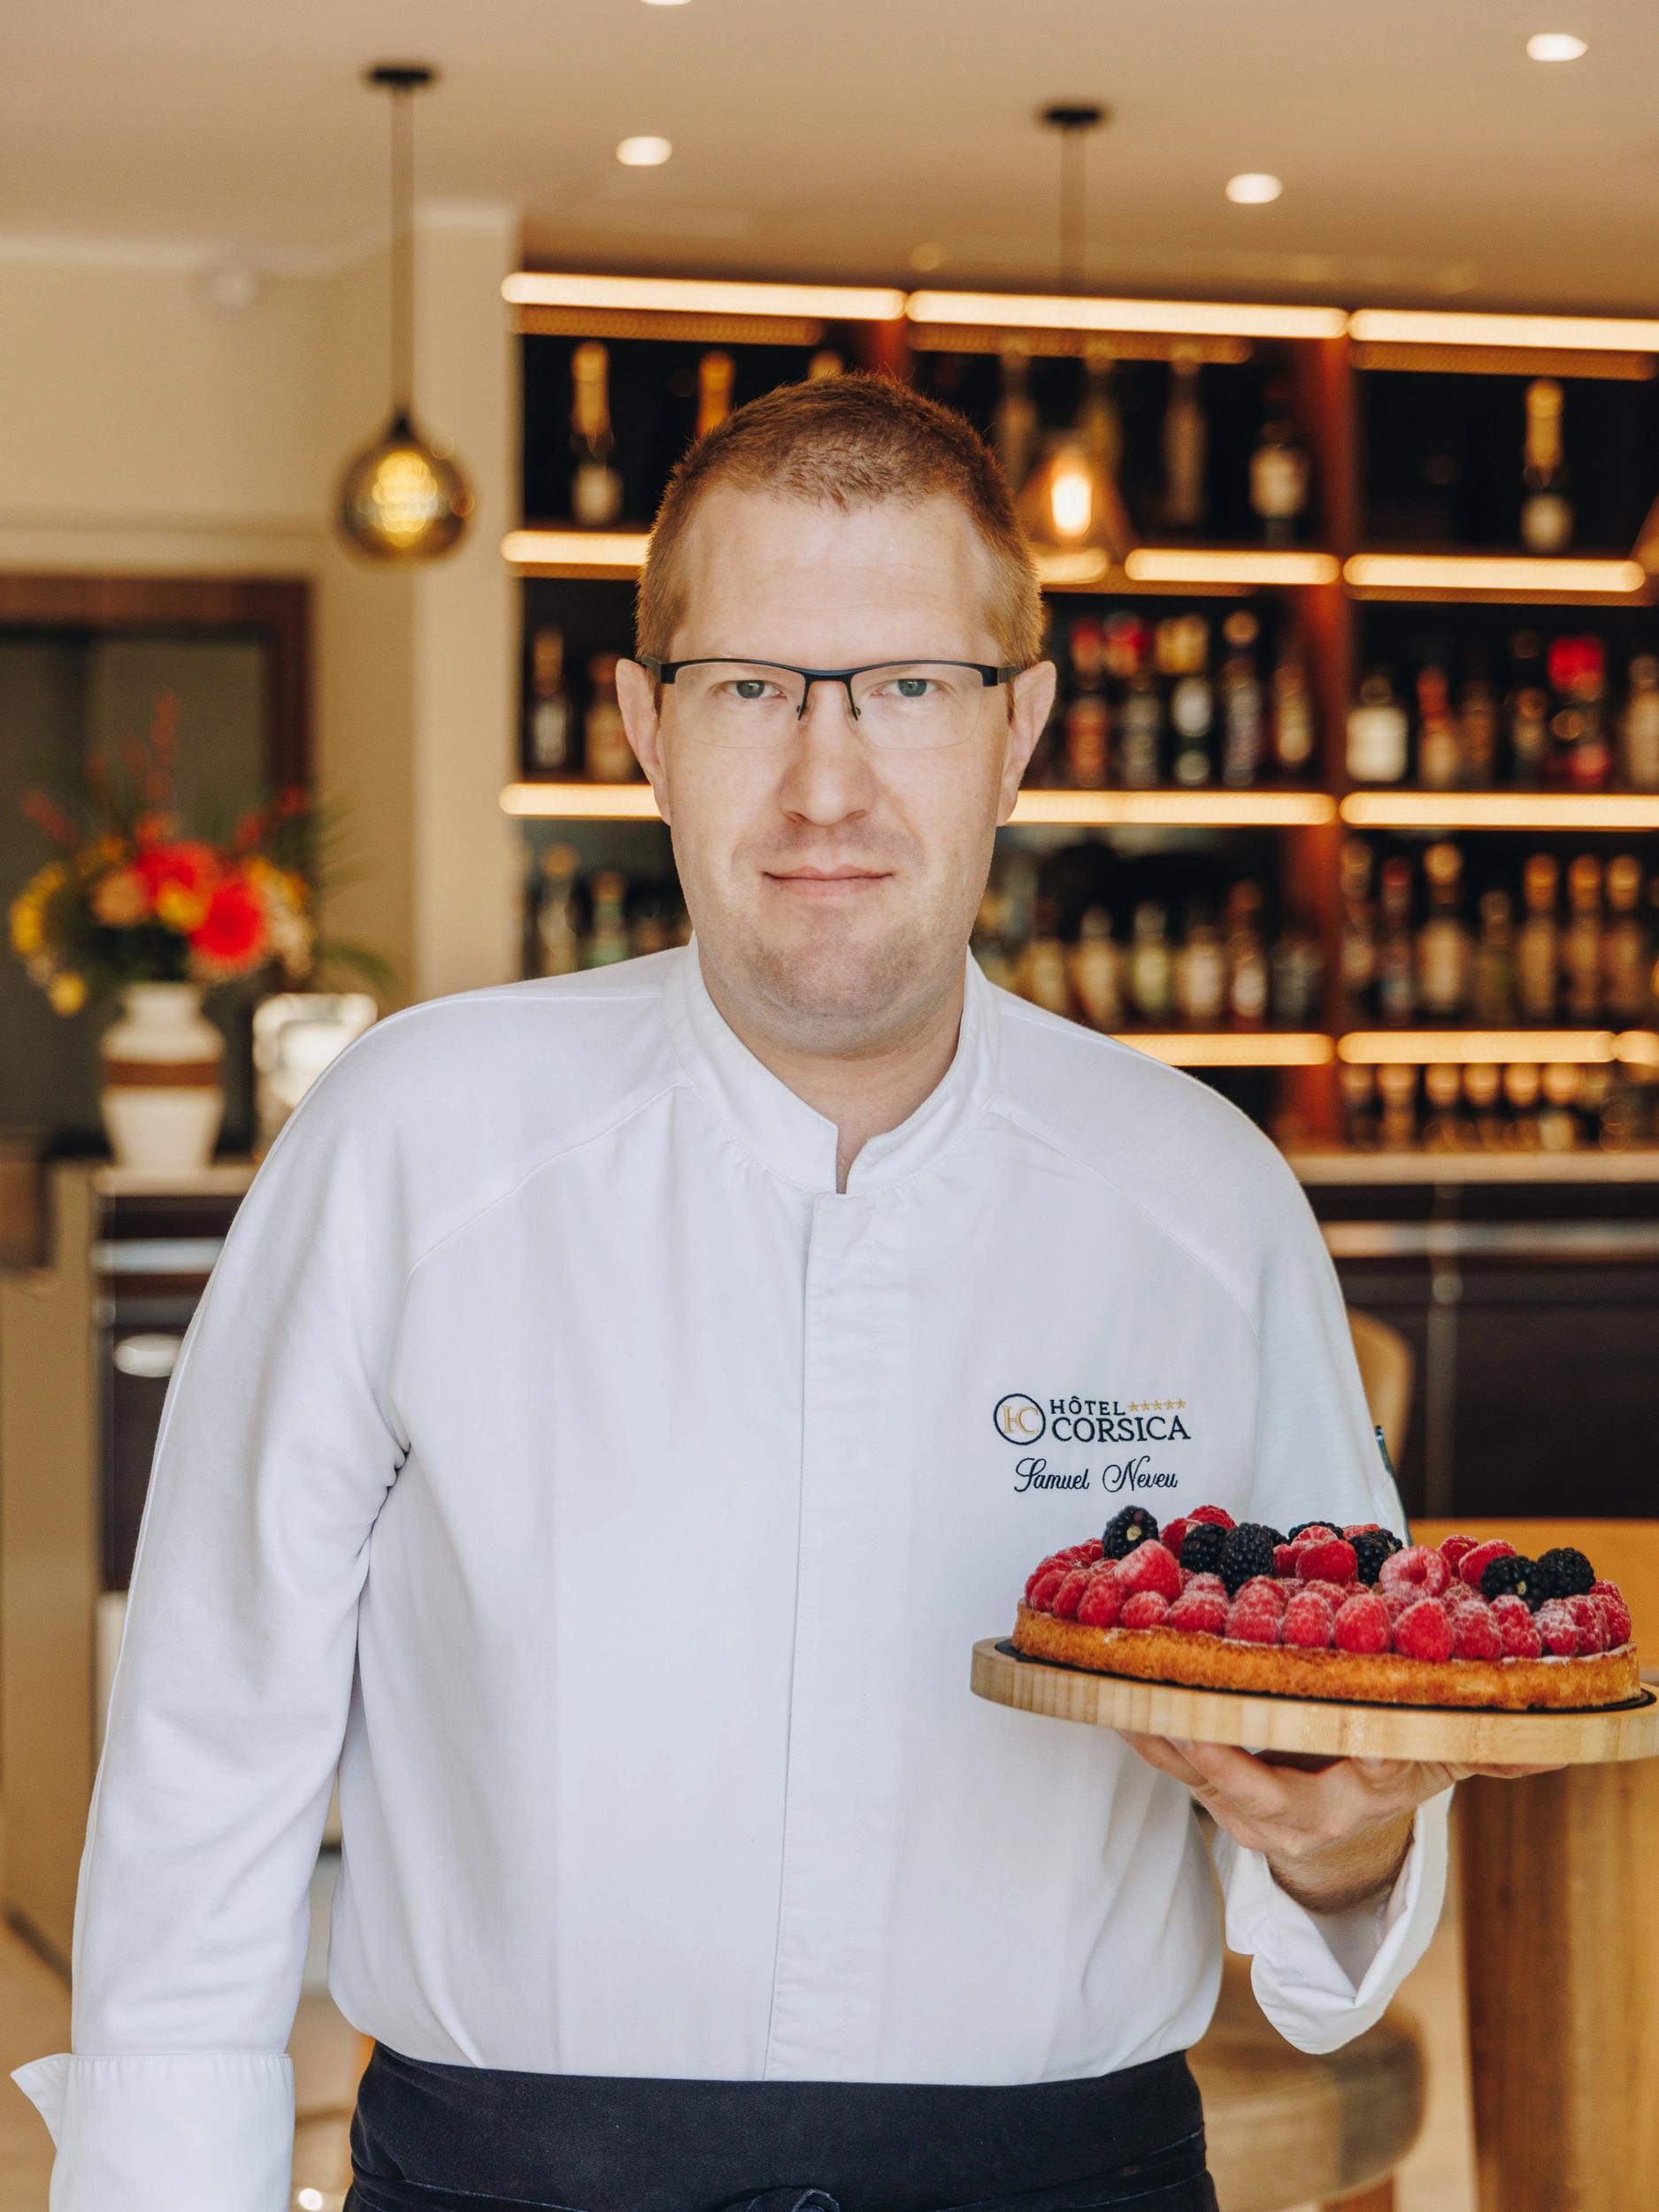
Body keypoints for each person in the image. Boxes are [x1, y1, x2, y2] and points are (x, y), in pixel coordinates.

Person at [12, 374, 1548, 2212]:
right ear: (642, 723)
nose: (828, 783)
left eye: (908, 687)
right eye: (752, 687)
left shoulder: (1197, 1196)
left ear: (1021, 729)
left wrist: (1340, 1846)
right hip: (509, 2174)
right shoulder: (413, 1137)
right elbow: (210, 1743)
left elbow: (1347, 1768)